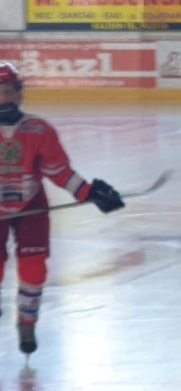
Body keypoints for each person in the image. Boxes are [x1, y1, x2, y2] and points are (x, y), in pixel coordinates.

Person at [0, 62, 125, 356]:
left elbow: (57, 170)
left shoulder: (38, 129)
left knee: (34, 268)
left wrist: (88, 192)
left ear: (19, 93)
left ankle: (27, 322)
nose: (4, 97)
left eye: (9, 90)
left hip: (32, 205)